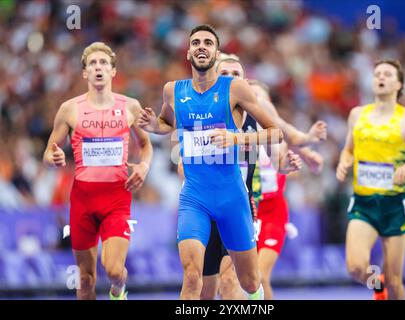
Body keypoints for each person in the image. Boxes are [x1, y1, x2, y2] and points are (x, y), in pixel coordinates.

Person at [138, 24, 283, 300]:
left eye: (208, 42)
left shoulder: (236, 89)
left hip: (233, 198)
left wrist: (236, 139)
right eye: (195, 42)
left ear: (217, 54)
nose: (201, 46)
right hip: (194, 198)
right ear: (188, 53)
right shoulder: (173, 90)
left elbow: (276, 133)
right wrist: (152, 126)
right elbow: (166, 123)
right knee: (193, 278)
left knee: (250, 282)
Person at [198, 56, 326, 300]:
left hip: (258, 209)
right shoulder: (207, 114)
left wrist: (303, 152)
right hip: (217, 204)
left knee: (250, 278)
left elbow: (286, 143)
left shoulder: (261, 121)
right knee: (213, 286)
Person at [43, 42, 152, 300]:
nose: (98, 67)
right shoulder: (69, 109)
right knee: (85, 281)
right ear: (85, 73)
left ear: (113, 71)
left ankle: (118, 291)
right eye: (92, 63)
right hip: (82, 199)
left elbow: (147, 145)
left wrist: (144, 167)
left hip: (116, 198)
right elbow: (48, 151)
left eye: (104, 62)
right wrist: (53, 156)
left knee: (114, 270)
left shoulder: (130, 107)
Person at [336, 60, 405, 300]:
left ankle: (387, 287)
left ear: (398, 84)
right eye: (377, 73)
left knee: (395, 282)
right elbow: (348, 149)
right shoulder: (357, 115)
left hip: (394, 205)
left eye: (387, 74)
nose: (380, 77)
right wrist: (344, 161)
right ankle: (377, 285)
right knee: (355, 267)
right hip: (364, 203)